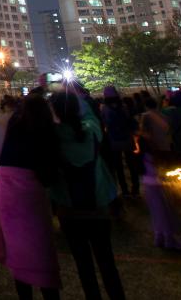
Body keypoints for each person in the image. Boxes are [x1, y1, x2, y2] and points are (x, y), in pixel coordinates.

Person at [49, 90, 125, 300]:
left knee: (83, 265)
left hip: (69, 210)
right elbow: (91, 116)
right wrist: (77, 95)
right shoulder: (91, 132)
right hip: (98, 206)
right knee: (107, 262)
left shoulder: (52, 138)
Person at [0, 92, 60, 300]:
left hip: (4, 188)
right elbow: (49, 173)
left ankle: (24, 293)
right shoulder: (44, 128)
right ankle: (49, 291)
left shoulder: (15, 123)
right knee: (40, 247)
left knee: (17, 247)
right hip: (28, 189)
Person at [135, 95, 181, 250]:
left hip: (151, 164)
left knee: (156, 205)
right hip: (164, 160)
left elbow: (142, 138)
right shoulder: (163, 117)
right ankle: (168, 237)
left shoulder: (145, 121)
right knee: (166, 204)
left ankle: (160, 235)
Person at [99, 86, 140, 197]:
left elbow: (104, 124)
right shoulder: (124, 107)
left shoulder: (104, 109)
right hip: (127, 138)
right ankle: (135, 189)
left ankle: (124, 190)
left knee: (119, 167)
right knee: (131, 165)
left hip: (114, 141)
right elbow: (132, 122)